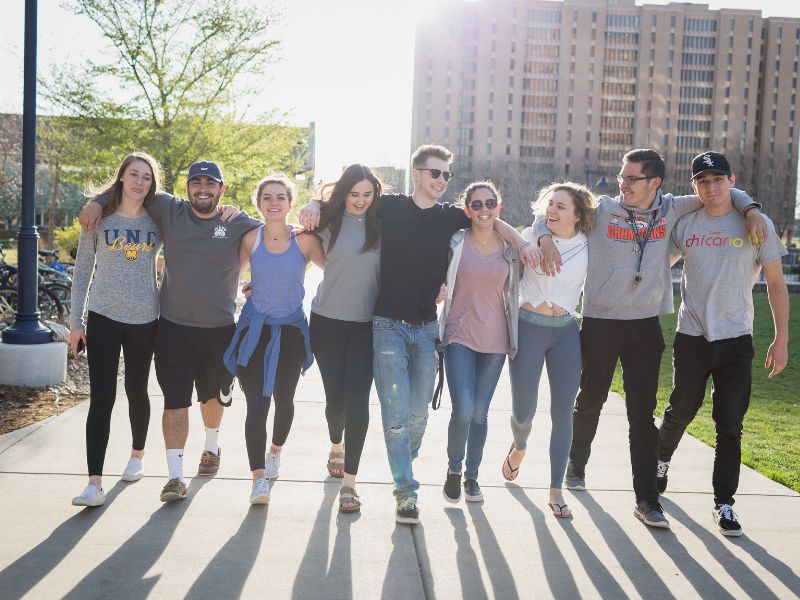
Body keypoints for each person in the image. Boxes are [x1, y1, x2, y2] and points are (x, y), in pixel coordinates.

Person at [301, 145, 538, 524]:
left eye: (446, 175)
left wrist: (523, 242)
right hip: (386, 326)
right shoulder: (388, 207)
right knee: (395, 415)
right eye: (435, 173)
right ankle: (405, 493)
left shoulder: (450, 217)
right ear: (416, 174)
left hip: (428, 328)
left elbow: (490, 220)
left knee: (417, 416)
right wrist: (314, 203)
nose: (442, 181)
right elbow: (350, 197)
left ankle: (403, 466)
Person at [535, 148, 767, 529]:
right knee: (590, 399)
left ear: (654, 183)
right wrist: (544, 238)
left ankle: (647, 501)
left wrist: (753, 209)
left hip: (644, 327)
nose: (622, 184)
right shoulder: (603, 209)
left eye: (631, 178)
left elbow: (724, 193)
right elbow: (552, 215)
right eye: (622, 177)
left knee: (641, 415)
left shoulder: (673, 209)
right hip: (600, 321)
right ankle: (577, 461)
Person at [79, 160, 259, 503]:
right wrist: (96, 202)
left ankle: (211, 445)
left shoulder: (236, 222)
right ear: (186, 187)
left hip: (220, 328)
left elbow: (275, 235)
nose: (202, 189)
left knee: (211, 398)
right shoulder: (169, 209)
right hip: (173, 328)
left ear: (221, 190)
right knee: (175, 400)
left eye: (211, 184)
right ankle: (175, 477)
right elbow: (129, 186)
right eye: (196, 183)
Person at [657, 152, 789, 537]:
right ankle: (661, 460)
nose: (711, 187)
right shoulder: (686, 222)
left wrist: (781, 340)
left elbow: (777, 284)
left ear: (731, 180)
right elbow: (659, 266)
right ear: (694, 186)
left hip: (736, 338)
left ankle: (724, 504)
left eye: (718, 179)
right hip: (693, 335)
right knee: (680, 409)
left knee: (730, 425)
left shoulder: (756, 222)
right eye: (703, 181)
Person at [70, 153, 163, 507]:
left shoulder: (158, 222)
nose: (140, 181)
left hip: (144, 319)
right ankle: (94, 482)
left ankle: (137, 455)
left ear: (152, 184)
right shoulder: (99, 218)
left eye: (147, 177)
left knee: (137, 390)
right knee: (102, 398)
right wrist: (75, 323)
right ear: (121, 177)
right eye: (134, 174)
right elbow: (81, 273)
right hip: (103, 316)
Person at [224, 175, 324, 504]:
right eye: (267, 197)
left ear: (290, 203)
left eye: (281, 197)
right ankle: (257, 479)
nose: (274, 202)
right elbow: (231, 275)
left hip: (292, 333)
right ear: (259, 204)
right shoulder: (251, 239)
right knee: (256, 404)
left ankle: (275, 451)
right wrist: (243, 287)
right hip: (256, 331)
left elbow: (337, 266)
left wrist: (319, 206)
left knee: (284, 400)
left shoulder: (305, 240)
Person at [502, 182, 595, 519]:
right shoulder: (532, 233)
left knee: (562, 411)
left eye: (561, 206)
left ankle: (556, 488)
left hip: (566, 333)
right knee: (523, 411)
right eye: (550, 204)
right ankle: (520, 445)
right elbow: (528, 228)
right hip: (528, 327)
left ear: (578, 214)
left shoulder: (588, 244)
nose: (552, 211)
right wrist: (542, 237)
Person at [439, 181, 520, 504]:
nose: (484, 209)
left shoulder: (510, 248)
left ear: (497, 208)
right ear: (467, 210)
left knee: (481, 414)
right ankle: (454, 469)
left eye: (490, 203)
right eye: (476, 204)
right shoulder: (455, 242)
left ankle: (473, 477)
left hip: (496, 338)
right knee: (463, 409)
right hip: (458, 333)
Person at [308, 164, 382, 513]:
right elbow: (295, 241)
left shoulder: (383, 221)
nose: (361, 201)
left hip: (367, 326)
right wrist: (310, 203)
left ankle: (349, 485)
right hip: (327, 322)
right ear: (344, 193)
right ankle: (335, 444)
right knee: (334, 402)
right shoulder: (327, 219)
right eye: (354, 194)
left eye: (367, 194)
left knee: (357, 403)